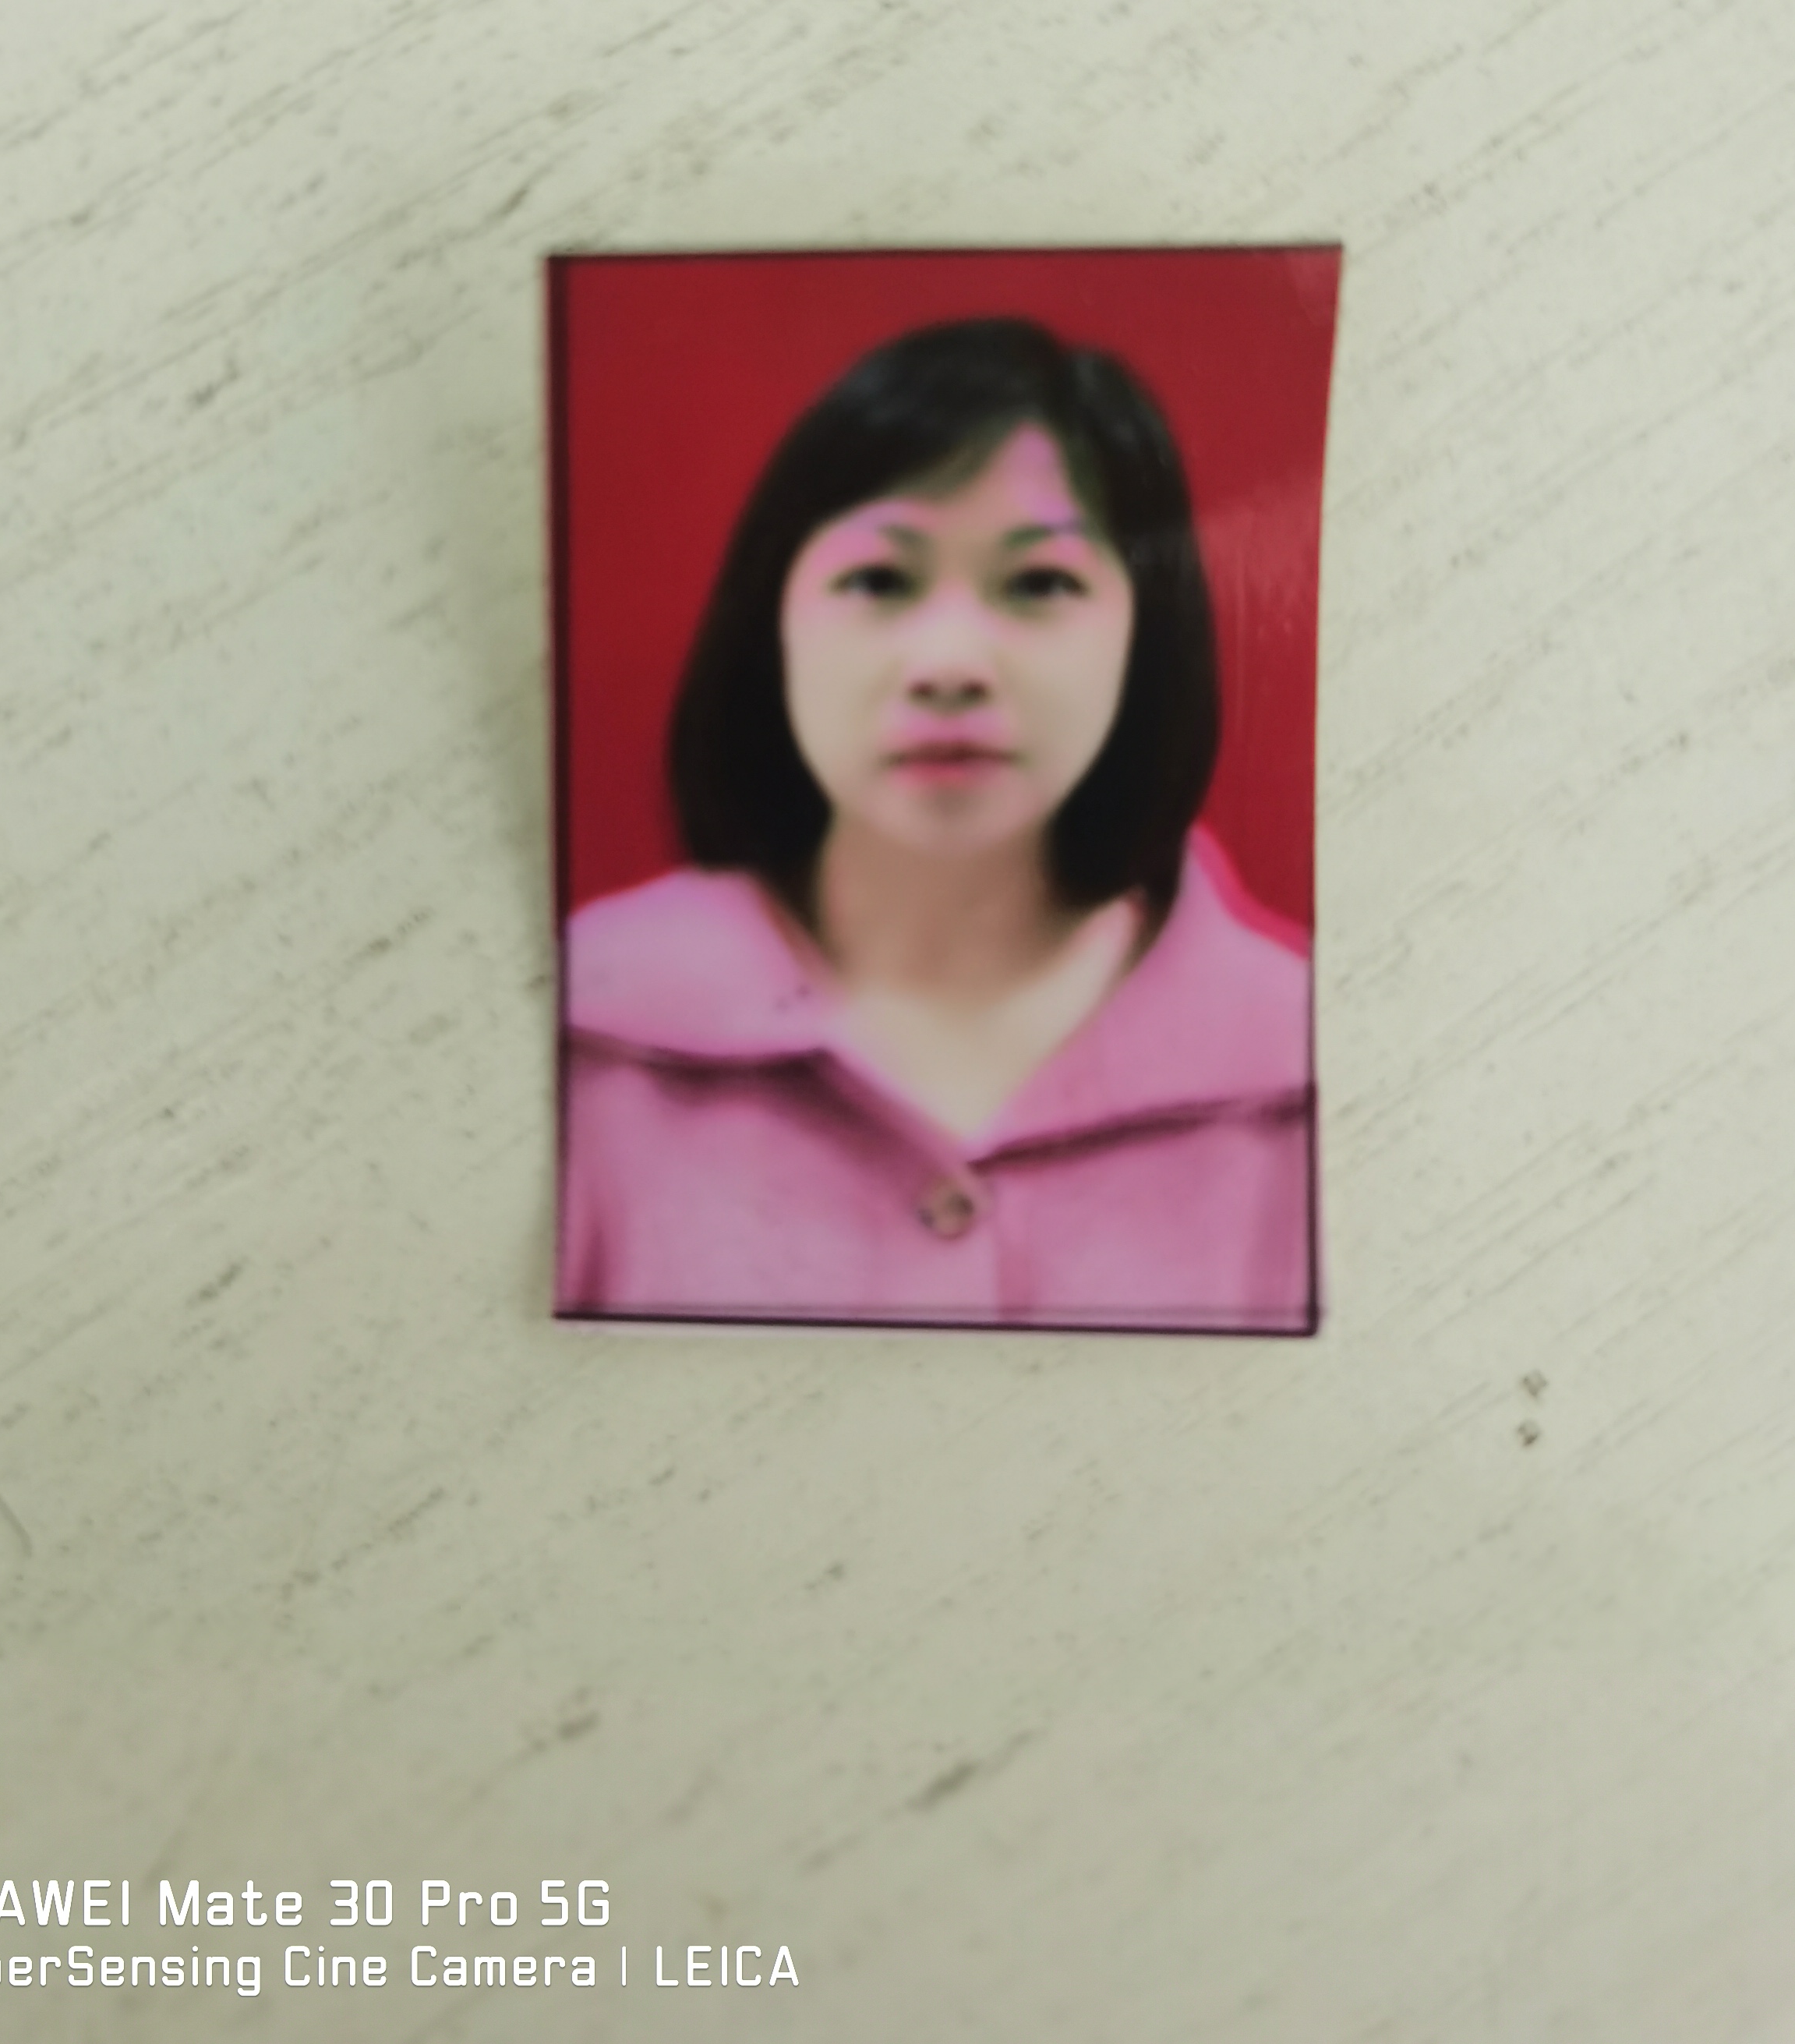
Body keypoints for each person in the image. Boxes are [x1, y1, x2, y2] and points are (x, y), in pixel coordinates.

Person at [557, 317, 1316, 1332]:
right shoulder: (582, 1031)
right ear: (773, 625)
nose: (950, 663)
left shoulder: (1303, 1068)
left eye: (1040, 583)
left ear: (1146, 635)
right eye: (880, 580)